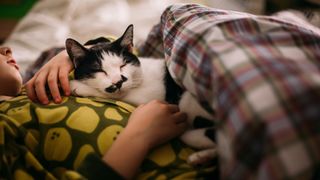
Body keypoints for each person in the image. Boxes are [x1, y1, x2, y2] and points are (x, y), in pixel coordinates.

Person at [0, 46, 189, 179]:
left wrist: (65, 56)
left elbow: (119, 49)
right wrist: (139, 137)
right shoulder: (5, 122)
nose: (6, 48)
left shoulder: (36, 77)